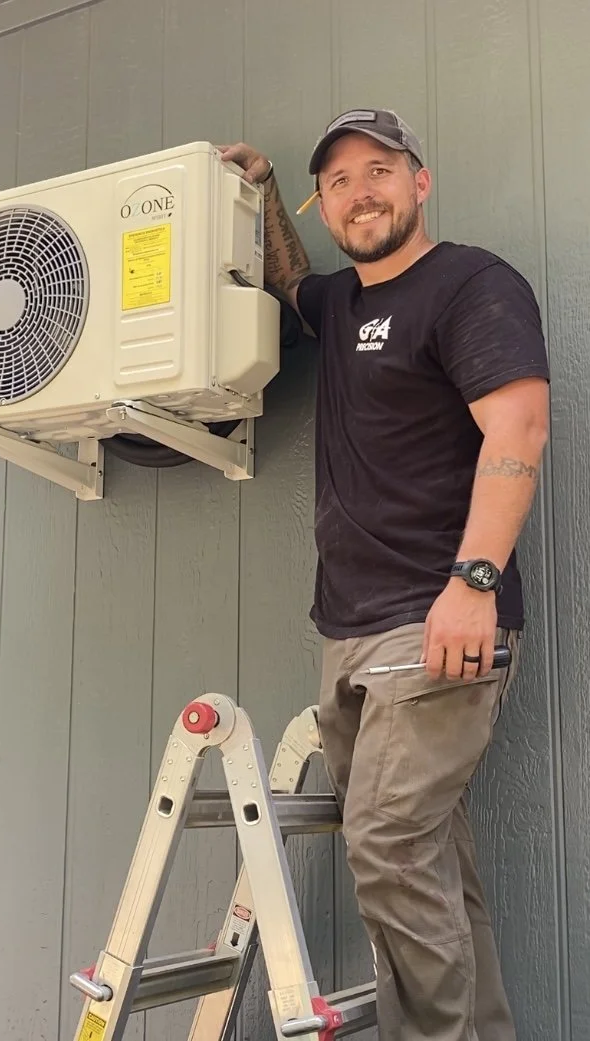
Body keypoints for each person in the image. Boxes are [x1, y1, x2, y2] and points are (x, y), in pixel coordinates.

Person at [219, 109, 550, 1041]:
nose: (360, 192)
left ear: (420, 182)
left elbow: (517, 428)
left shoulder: (469, 284)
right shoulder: (345, 305)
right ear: (323, 206)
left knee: (390, 845)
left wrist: (474, 582)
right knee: (430, 856)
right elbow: (290, 285)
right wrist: (262, 185)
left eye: (379, 170)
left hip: (436, 615)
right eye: (337, 183)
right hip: (352, 627)